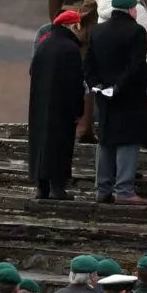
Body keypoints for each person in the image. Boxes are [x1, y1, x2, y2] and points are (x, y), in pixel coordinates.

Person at [84, 0, 147, 205]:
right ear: (132, 10)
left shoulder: (98, 30)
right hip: (128, 96)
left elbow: (89, 63)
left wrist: (98, 86)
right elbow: (135, 66)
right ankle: (124, 189)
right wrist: (118, 87)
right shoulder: (136, 31)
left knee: (105, 140)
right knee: (128, 141)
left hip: (103, 95)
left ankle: (102, 189)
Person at [28, 11, 87, 200]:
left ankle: (41, 187)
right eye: (78, 25)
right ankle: (57, 188)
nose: (80, 30)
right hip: (62, 108)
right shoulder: (70, 49)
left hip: (40, 106)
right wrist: (79, 110)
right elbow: (75, 83)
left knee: (41, 145)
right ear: (71, 26)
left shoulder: (44, 46)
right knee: (60, 146)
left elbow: (32, 72)